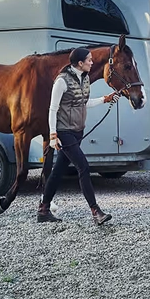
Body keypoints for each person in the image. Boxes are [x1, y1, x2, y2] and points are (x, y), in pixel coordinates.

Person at [34, 47, 118, 224]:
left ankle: (43, 210)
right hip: (64, 132)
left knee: (57, 171)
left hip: (77, 131)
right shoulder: (61, 81)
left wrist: (105, 99)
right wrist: (53, 135)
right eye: (89, 60)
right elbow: (53, 109)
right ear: (80, 63)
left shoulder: (84, 78)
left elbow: (83, 103)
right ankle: (96, 212)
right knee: (83, 167)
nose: (92, 62)